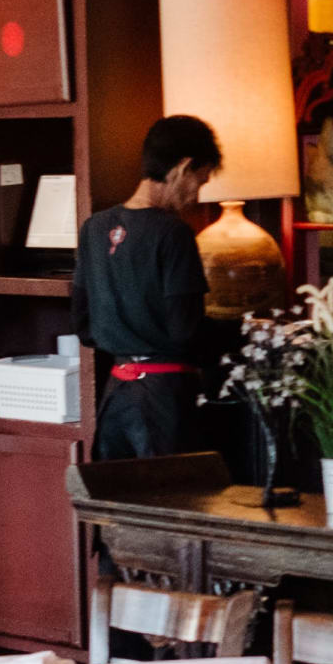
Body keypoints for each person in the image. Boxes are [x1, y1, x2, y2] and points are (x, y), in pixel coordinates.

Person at [77, 115, 222, 461]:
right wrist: (243, 332)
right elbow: (185, 330)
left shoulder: (94, 228)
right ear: (183, 167)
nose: (195, 197)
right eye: (199, 183)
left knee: (119, 508)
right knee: (172, 508)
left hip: (116, 396)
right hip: (164, 399)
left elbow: (83, 326)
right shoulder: (173, 233)